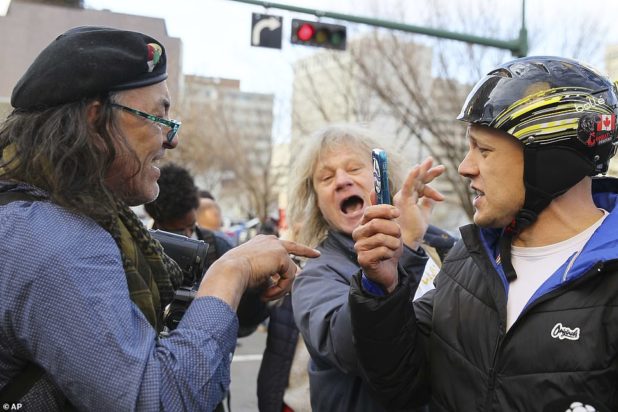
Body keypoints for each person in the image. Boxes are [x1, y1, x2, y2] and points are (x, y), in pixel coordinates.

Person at [0, 26, 318, 411]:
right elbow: (156, 399)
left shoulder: (32, 216)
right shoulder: (56, 241)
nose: (172, 139)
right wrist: (230, 274)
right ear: (96, 121)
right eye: (156, 117)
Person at [349, 56, 618, 411]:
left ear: (550, 160)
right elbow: (400, 386)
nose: (465, 167)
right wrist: (382, 289)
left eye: (484, 150)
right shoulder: (469, 258)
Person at [288, 124, 455, 411]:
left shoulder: (440, 246)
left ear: (384, 181)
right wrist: (401, 253)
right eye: (326, 177)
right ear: (317, 203)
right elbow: (351, 349)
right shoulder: (315, 276)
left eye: (354, 169)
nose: (342, 181)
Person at [144, 163, 269, 337]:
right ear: (158, 221)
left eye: (191, 226)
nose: (188, 235)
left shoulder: (218, 246)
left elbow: (244, 324)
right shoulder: (140, 250)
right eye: (178, 231)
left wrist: (255, 290)